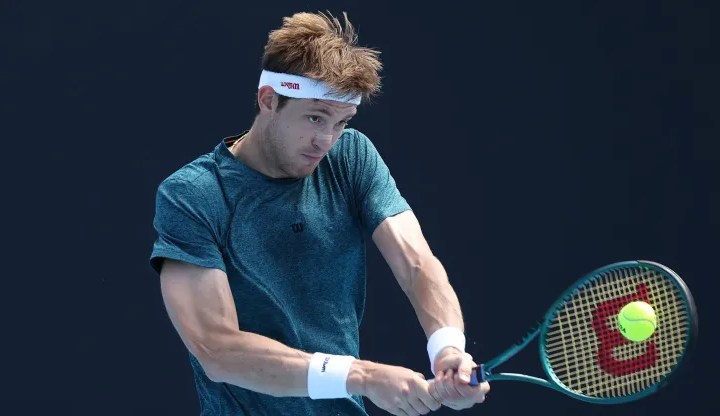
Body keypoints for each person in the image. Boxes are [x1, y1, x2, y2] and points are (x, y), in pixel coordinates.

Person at [149, 11, 490, 416]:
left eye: (341, 122)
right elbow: (218, 350)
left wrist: (448, 348)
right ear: (268, 100)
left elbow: (417, 264)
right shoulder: (192, 195)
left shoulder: (352, 156)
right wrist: (362, 376)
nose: (326, 140)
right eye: (315, 118)